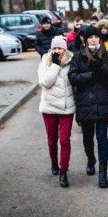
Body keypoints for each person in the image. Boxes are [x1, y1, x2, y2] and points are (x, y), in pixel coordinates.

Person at [68, 26, 108, 188]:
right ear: (85, 40)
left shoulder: (107, 56)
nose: (93, 40)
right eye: (90, 37)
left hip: (103, 102)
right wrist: (91, 75)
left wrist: (100, 65)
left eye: (96, 37)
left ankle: (103, 173)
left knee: (102, 139)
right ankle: (91, 159)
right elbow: (73, 77)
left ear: (100, 39)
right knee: (87, 138)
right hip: (85, 104)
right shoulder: (78, 57)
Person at [38, 36, 75, 187]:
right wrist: (55, 65)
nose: (57, 51)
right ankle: (54, 161)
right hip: (49, 107)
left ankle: (63, 171)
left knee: (65, 140)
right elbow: (45, 83)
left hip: (67, 107)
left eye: (60, 48)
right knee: (52, 140)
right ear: (51, 49)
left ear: (65, 49)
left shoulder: (72, 61)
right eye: (55, 48)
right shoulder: (45, 61)